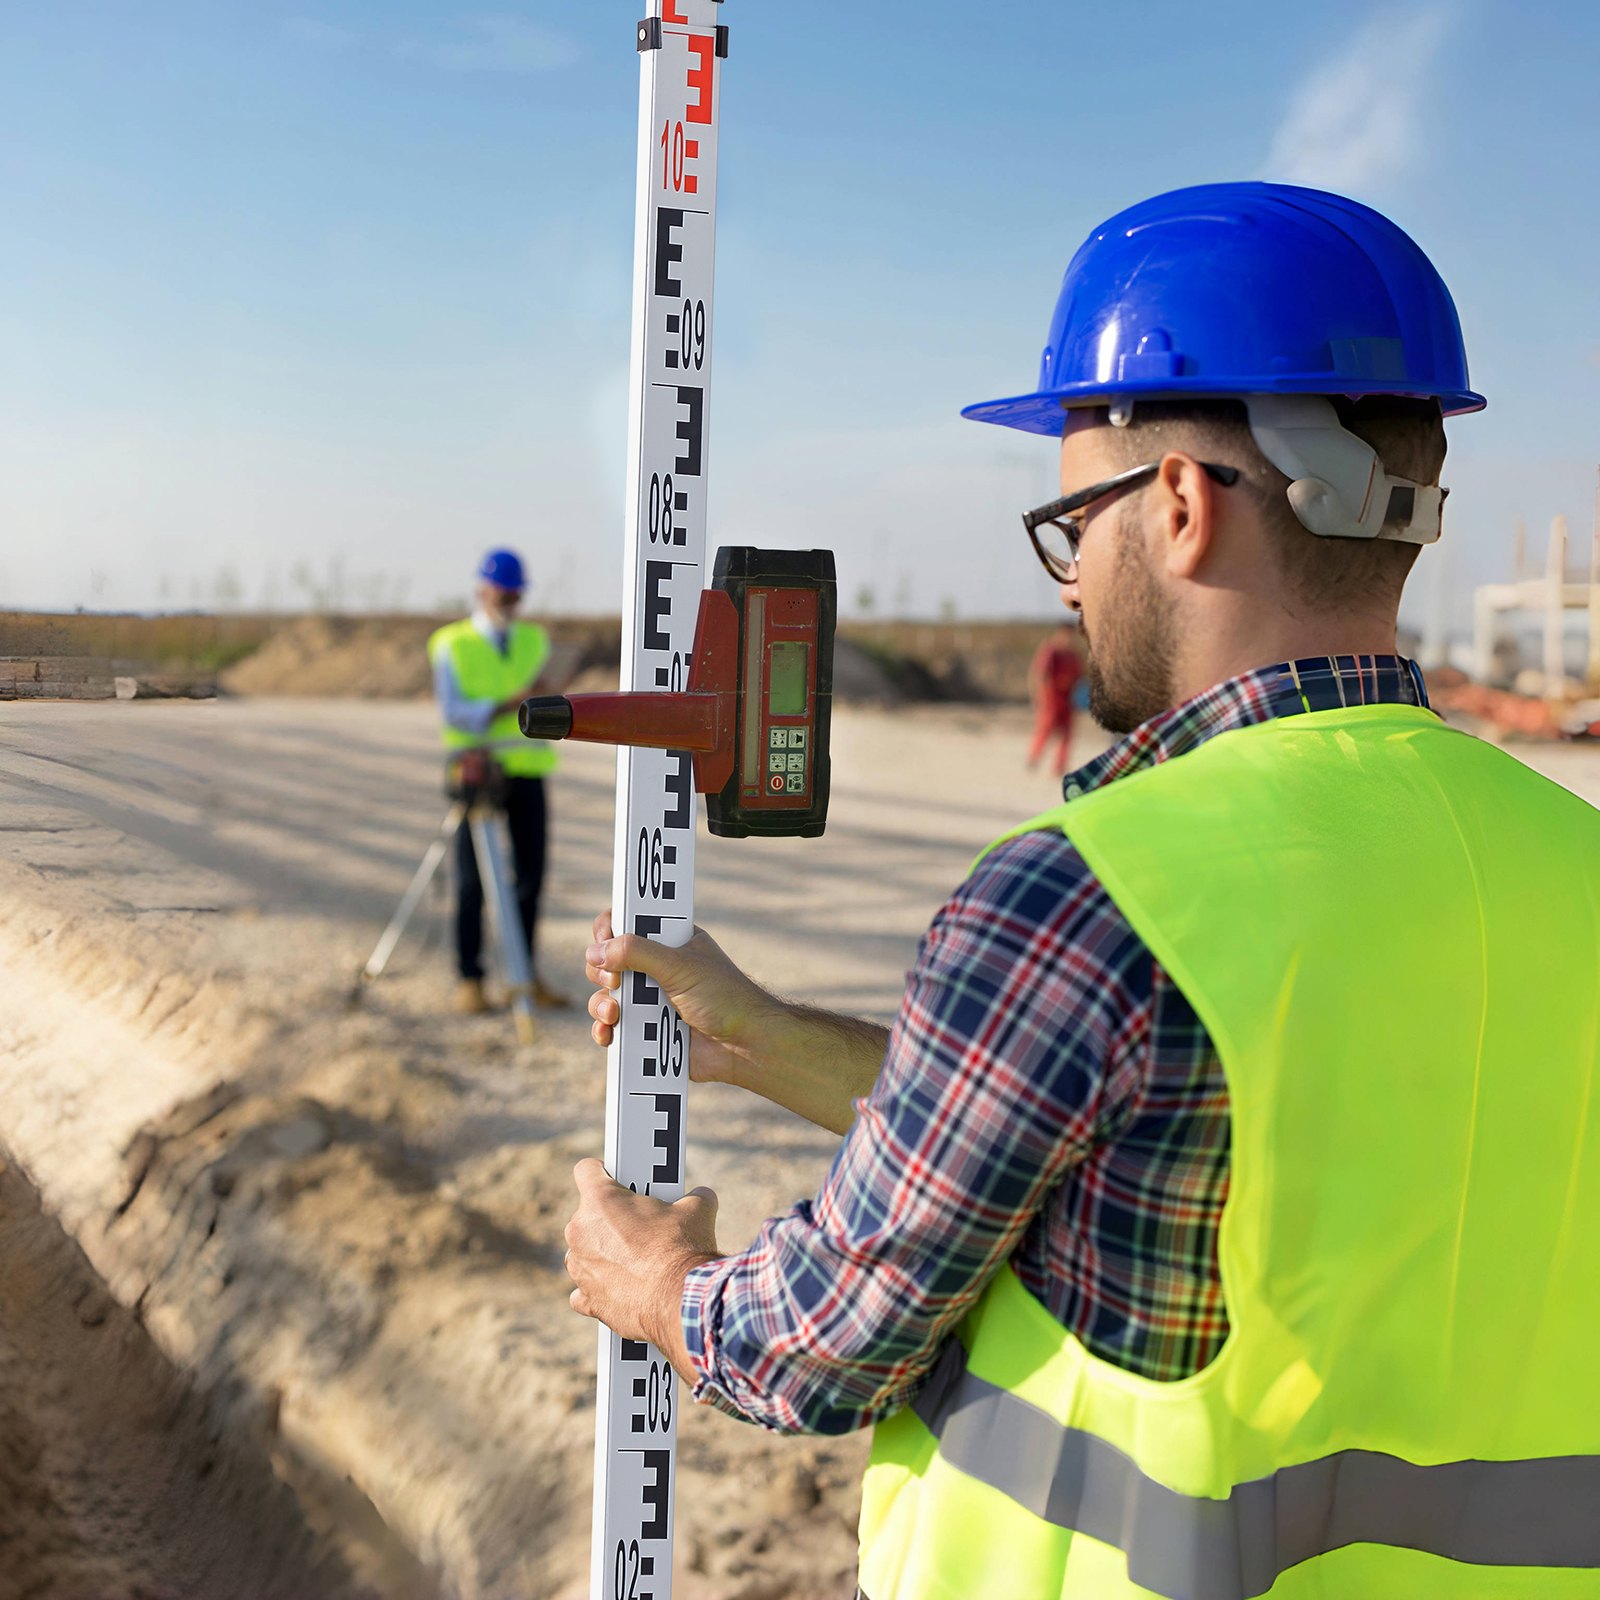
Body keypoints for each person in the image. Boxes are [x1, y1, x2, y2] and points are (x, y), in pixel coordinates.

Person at [563, 183, 1600, 1597]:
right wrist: (763, 1041)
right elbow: (1156, 1145)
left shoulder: (1094, 897)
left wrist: (656, 1289)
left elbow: (818, 1345)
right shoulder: (1567, 862)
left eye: (1070, 524)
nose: (1066, 584)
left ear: (1176, 505)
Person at [429, 548, 569, 1013]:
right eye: (503, 594)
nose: (510, 603)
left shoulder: (534, 639)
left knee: (530, 878)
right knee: (471, 881)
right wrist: (512, 703)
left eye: (516, 596)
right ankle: (469, 979)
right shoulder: (451, 643)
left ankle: (523, 975)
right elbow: (455, 713)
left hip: (528, 770)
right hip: (478, 771)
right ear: (482, 590)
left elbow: (547, 696)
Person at [1025, 620, 1083, 775]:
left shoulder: (1073, 654)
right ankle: (1034, 758)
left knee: (1067, 734)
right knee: (1045, 729)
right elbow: (1040, 674)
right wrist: (1039, 697)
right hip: (1051, 696)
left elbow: (1079, 678)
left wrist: (1079, 700)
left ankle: (1059, 766)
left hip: (1068, 698)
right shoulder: (1051, 650)